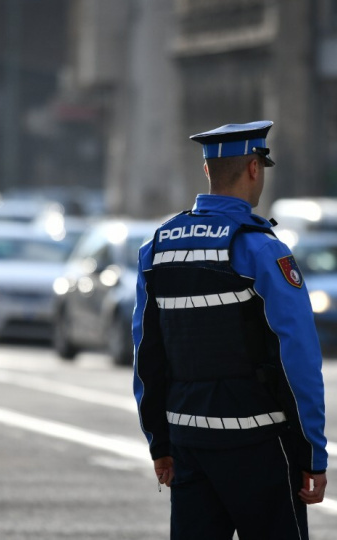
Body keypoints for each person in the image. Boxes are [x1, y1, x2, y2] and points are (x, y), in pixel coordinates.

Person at [132, 120, 327, 539]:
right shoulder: (262, 250)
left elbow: (146, 355)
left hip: (188, 441)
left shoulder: (157, 248)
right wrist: (312, 453)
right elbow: (298, 360)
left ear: (207, 171)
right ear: (255, 168)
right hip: (259, 443)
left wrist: (160, 444)